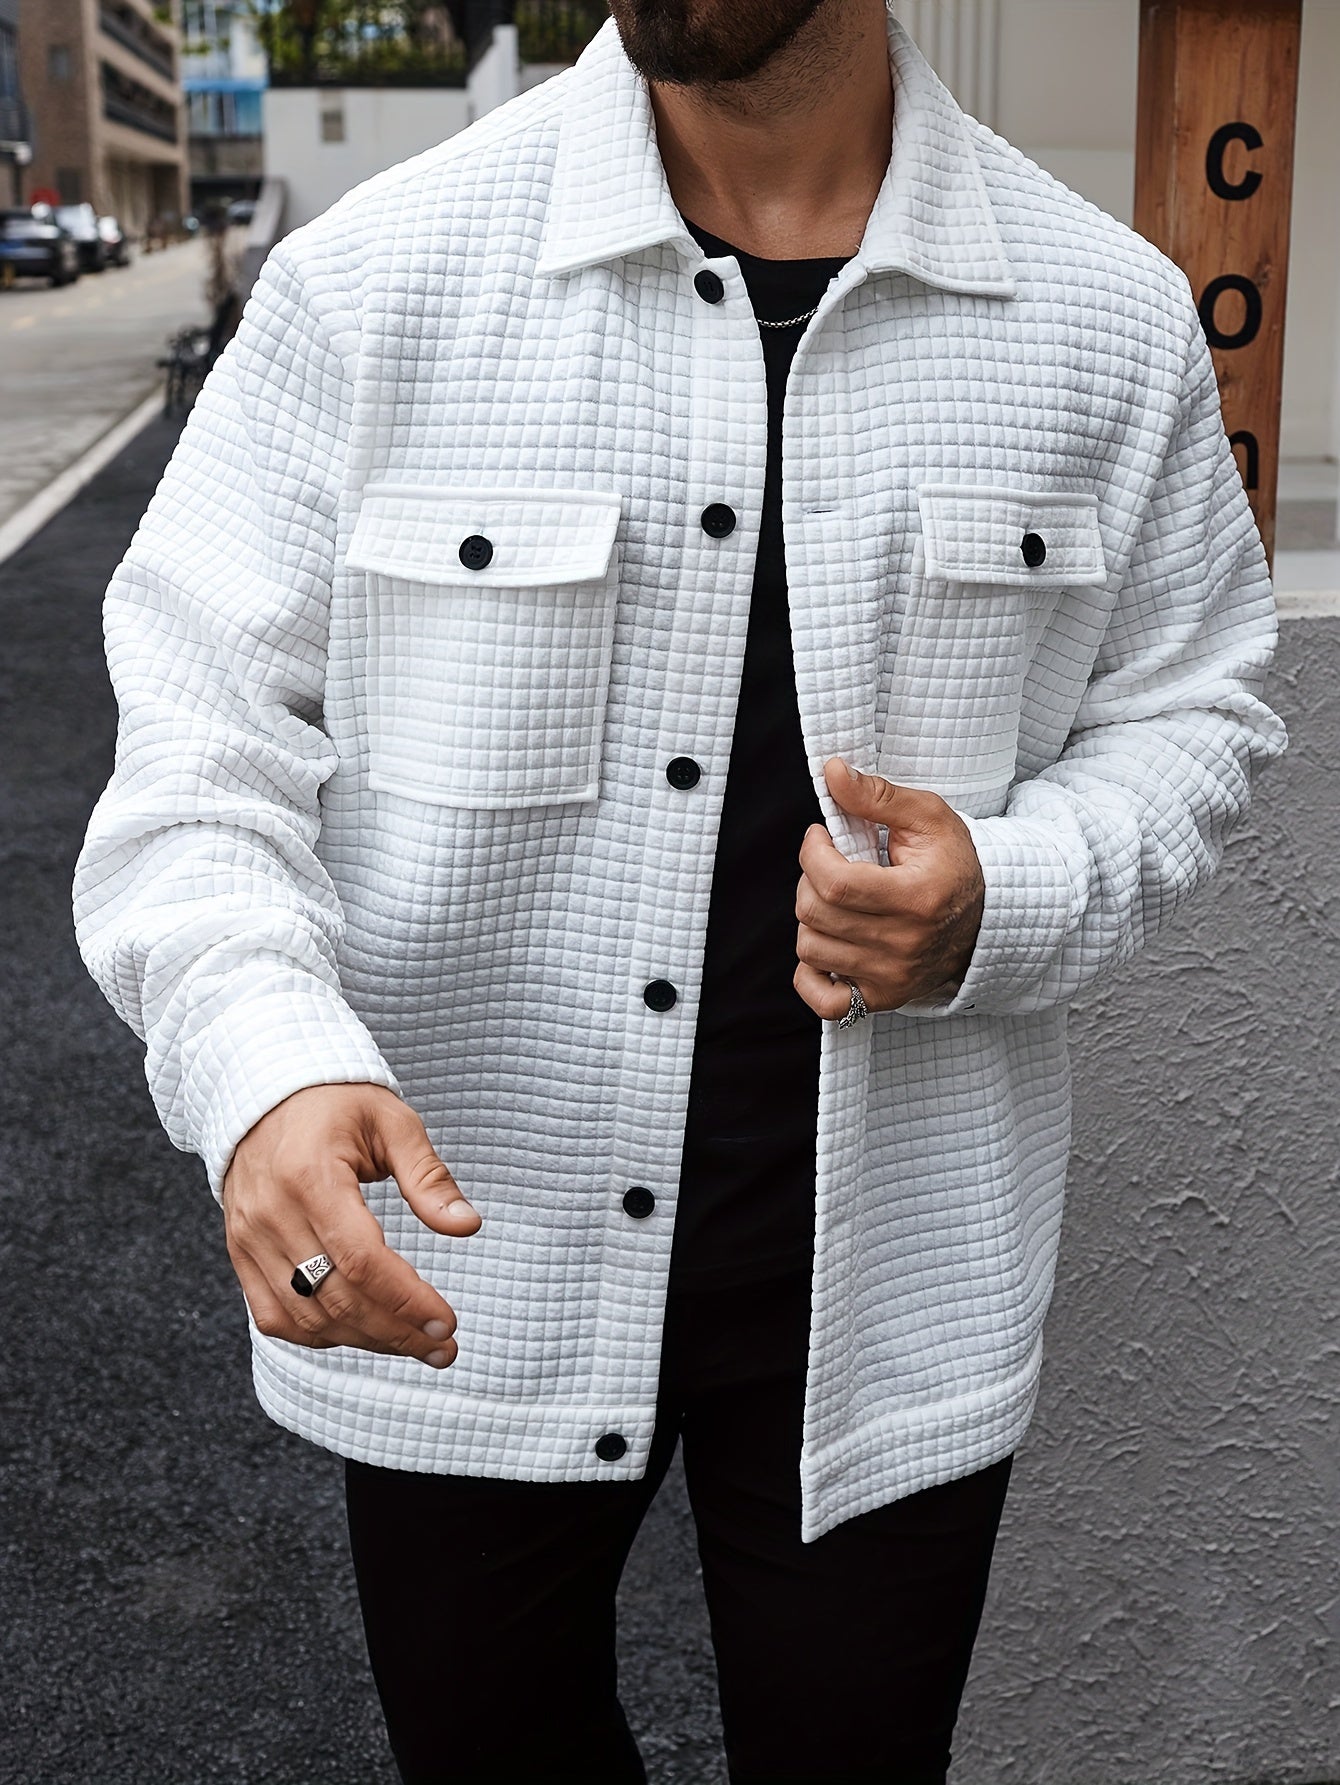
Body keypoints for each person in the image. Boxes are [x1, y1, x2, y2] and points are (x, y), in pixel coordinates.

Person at [71, 2, 1287, 1779]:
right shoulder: (378, 283)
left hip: (893, 1280)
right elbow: (198, 748)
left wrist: (1010, 892)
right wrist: (259, 1060)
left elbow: (1199, 704)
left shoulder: (1102, 313)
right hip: (478, 1256)